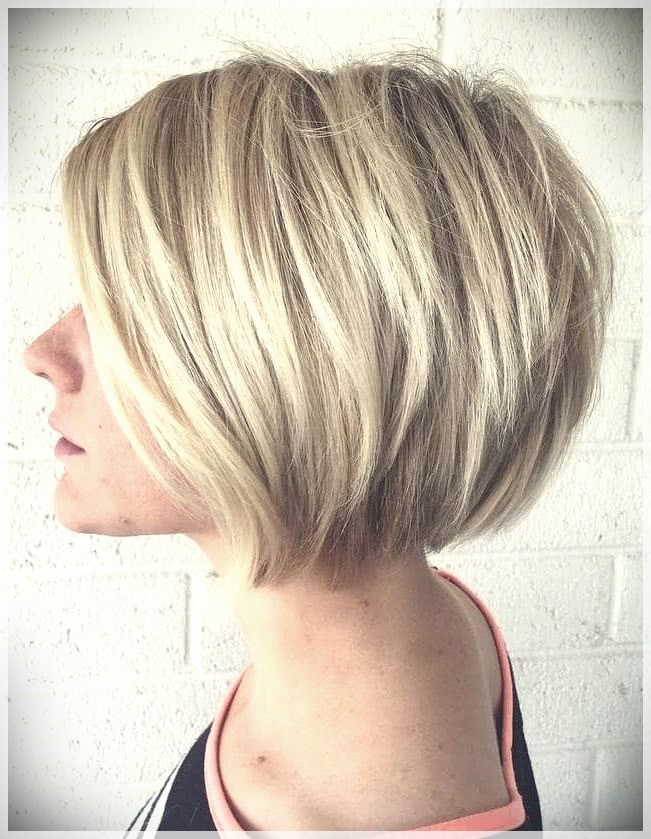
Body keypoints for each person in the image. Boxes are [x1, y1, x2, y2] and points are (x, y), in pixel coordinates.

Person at [23, 44, 614, 833]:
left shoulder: (326, 816)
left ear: (307, 371)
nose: (43, 353)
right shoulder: (434, 617)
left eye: (126, 308)